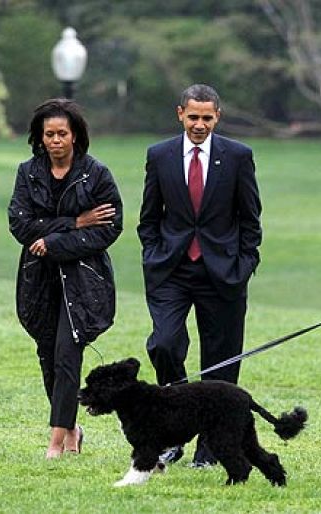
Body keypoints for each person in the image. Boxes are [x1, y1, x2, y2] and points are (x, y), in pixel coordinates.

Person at [137, 84, 262, 467]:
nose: (200, 124)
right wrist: (154, 257)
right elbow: (148, 218)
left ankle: (208, 449)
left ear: (217, 117)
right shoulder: (159, 155)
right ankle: (172, 431)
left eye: (207, 118)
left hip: (223, 273)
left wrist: (243, 265)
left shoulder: (238, 156)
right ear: (180, 114)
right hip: (171, 270)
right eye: (193, 117)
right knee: (164, 344)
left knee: (221, 362)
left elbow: (250, 219)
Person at [8, 98, 122, 459]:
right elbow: (21, 224)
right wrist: (75, 222)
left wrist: (54, 241)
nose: (55, 140)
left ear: (75, 136)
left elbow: (109, 227)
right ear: (40, 138)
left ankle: (56, 443)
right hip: (37, 281)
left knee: (66, 354)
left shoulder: (97, 174)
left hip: (83, 282)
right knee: (47, 354)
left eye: (62, 134)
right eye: (48, 134)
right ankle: (72, 428)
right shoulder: (28, 173)